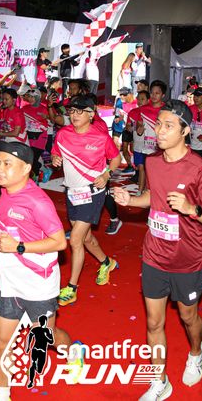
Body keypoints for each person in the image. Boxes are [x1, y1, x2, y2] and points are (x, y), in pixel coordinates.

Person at [112, 100, 202, 400]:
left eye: (168, 125)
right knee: (153, 322)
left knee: (188, 317)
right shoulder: (152, 162)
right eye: (158, 124)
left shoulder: (201, 170)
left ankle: (197, 352)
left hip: (188, 258)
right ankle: (159, 381)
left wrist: (191, 208)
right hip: (154, 255)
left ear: (185, 131)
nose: (159, 130)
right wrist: (131, 200)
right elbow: (152, 196)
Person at [0, 141, 82, 401]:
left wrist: (18, 246)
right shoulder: (6, 192)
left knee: (47, 339)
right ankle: (2, 395)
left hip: (39, 285)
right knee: (2, 344)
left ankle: (74, 352)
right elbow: (10, 226)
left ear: (26, 168)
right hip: (8, 283)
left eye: (7, 164)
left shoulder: (38, 202)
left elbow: (60, 242)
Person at [52, 95, 121, 306]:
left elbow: (116, 158)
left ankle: (72, 288)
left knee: (75, 239)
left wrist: (107, 175)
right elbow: (55, 153)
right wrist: (55, 158)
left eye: (80, 111)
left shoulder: (100, 137)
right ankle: (107, 262)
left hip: (93, 192)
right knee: (86, 238)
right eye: (72, 111)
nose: (74, 115)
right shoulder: (63, 134)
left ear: (91, 115)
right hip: (72, 192)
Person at [127, 90, 150, 193]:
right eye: (138, 99)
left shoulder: (153, 112)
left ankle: (146, 190)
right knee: (141, 167)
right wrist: (134, 127)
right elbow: (128, 127)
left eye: (142, 99)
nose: (140, 101)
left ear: (148, 100)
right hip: (138, 145)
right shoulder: (132, 112)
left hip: (151, 146)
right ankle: (141, 190)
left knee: (147, 169)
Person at [114, 87, 137, 171]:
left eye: (124, 95)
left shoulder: (137, 103)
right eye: (121, 95)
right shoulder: (120, 103)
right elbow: (118, 117)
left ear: (130, 94)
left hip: (135, 130)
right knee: (124, 149)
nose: (122, 97)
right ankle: (130, 165)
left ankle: (137, 166)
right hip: (126, 129)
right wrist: (118, 118)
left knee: (133, 149)